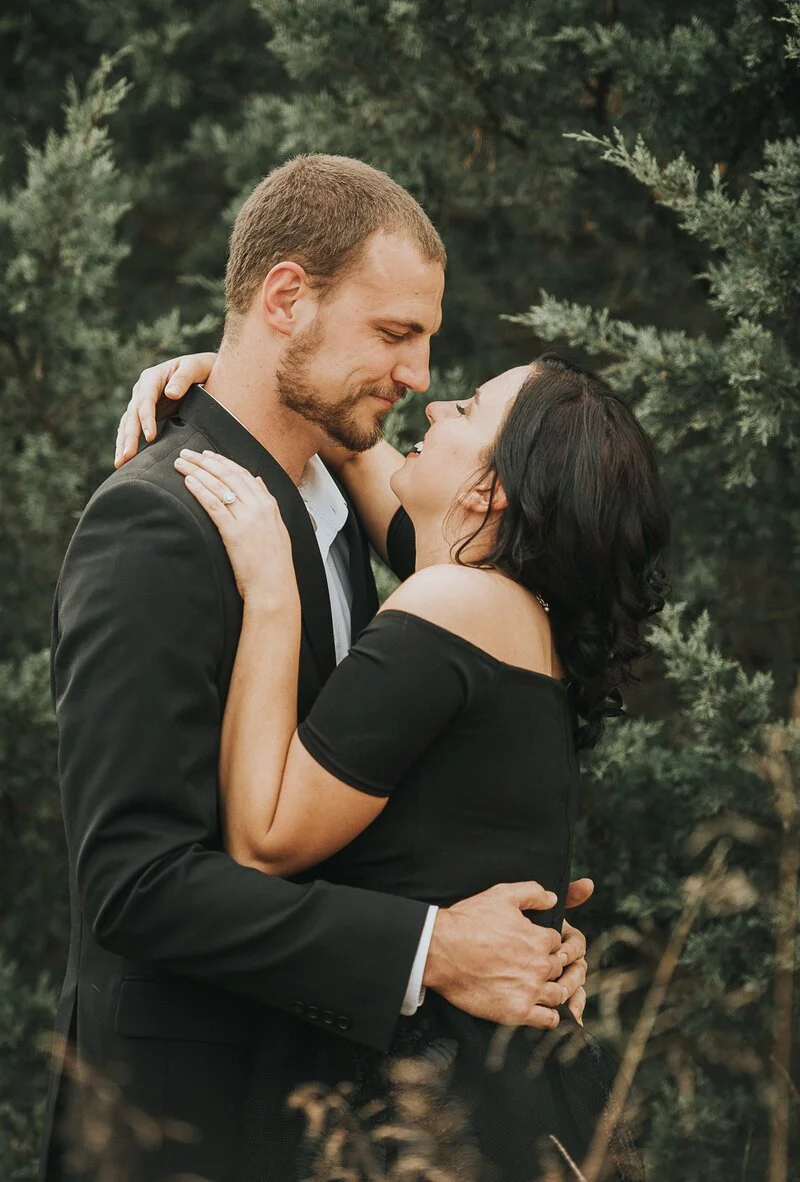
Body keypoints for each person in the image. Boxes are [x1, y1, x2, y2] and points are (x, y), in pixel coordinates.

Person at [43, 155, 592, 1182]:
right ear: (286, 299)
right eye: (394, 334)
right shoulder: (157, 523)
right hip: (181, 1127)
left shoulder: (337, 513)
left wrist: (508, 925)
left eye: (426, 338)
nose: (421, 373)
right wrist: (431, 947)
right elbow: (132, 883)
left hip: (322, 1119)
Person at [114, 346, 669, 1180]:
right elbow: (353, 444)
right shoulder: (506, 604)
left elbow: (266, 838)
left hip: (439, 1096)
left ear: (490, 491)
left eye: (470, 409)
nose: (436, 408)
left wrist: (273, 593)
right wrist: (243, 371)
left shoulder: (455, 603)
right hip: (500, 1081)